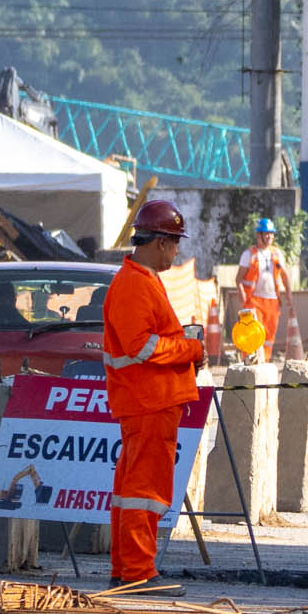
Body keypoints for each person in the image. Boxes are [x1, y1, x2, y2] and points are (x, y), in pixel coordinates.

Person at [100, 198, 205, 587]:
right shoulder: (134, 284)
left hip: (148, 400)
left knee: (131, 490)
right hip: (149, 401)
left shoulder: (142, 281)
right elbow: (141, 347)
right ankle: (139, 572)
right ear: (160, 242)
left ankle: (126, 570)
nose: (177, 252)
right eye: (175, 243)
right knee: (145, 489)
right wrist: (191, 349)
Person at [238, 216, 293, 352]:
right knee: (253, 334)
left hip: (272, 301)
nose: (269, 236)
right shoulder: (248, 255)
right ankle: (250, 366)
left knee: (269, 337)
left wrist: (288, 294)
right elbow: (238, 279)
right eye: (266, 233)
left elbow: (285, 276)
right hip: (254, 300)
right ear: (259, 235)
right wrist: (243, 298)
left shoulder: (277, 253)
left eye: (271, 233)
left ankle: (265, 364)